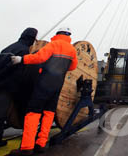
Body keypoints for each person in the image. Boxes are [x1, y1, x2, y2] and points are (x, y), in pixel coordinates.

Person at [7, 27, 77, 156]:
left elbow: (39, 57)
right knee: (49, 113)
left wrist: (21, 59)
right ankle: (41, 144)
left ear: (57, 34)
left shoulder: (53, 44)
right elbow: (73, 66)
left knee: (33, 113)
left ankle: (27, 147)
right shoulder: (72, 50)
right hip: (57, 86)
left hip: (44, 83)